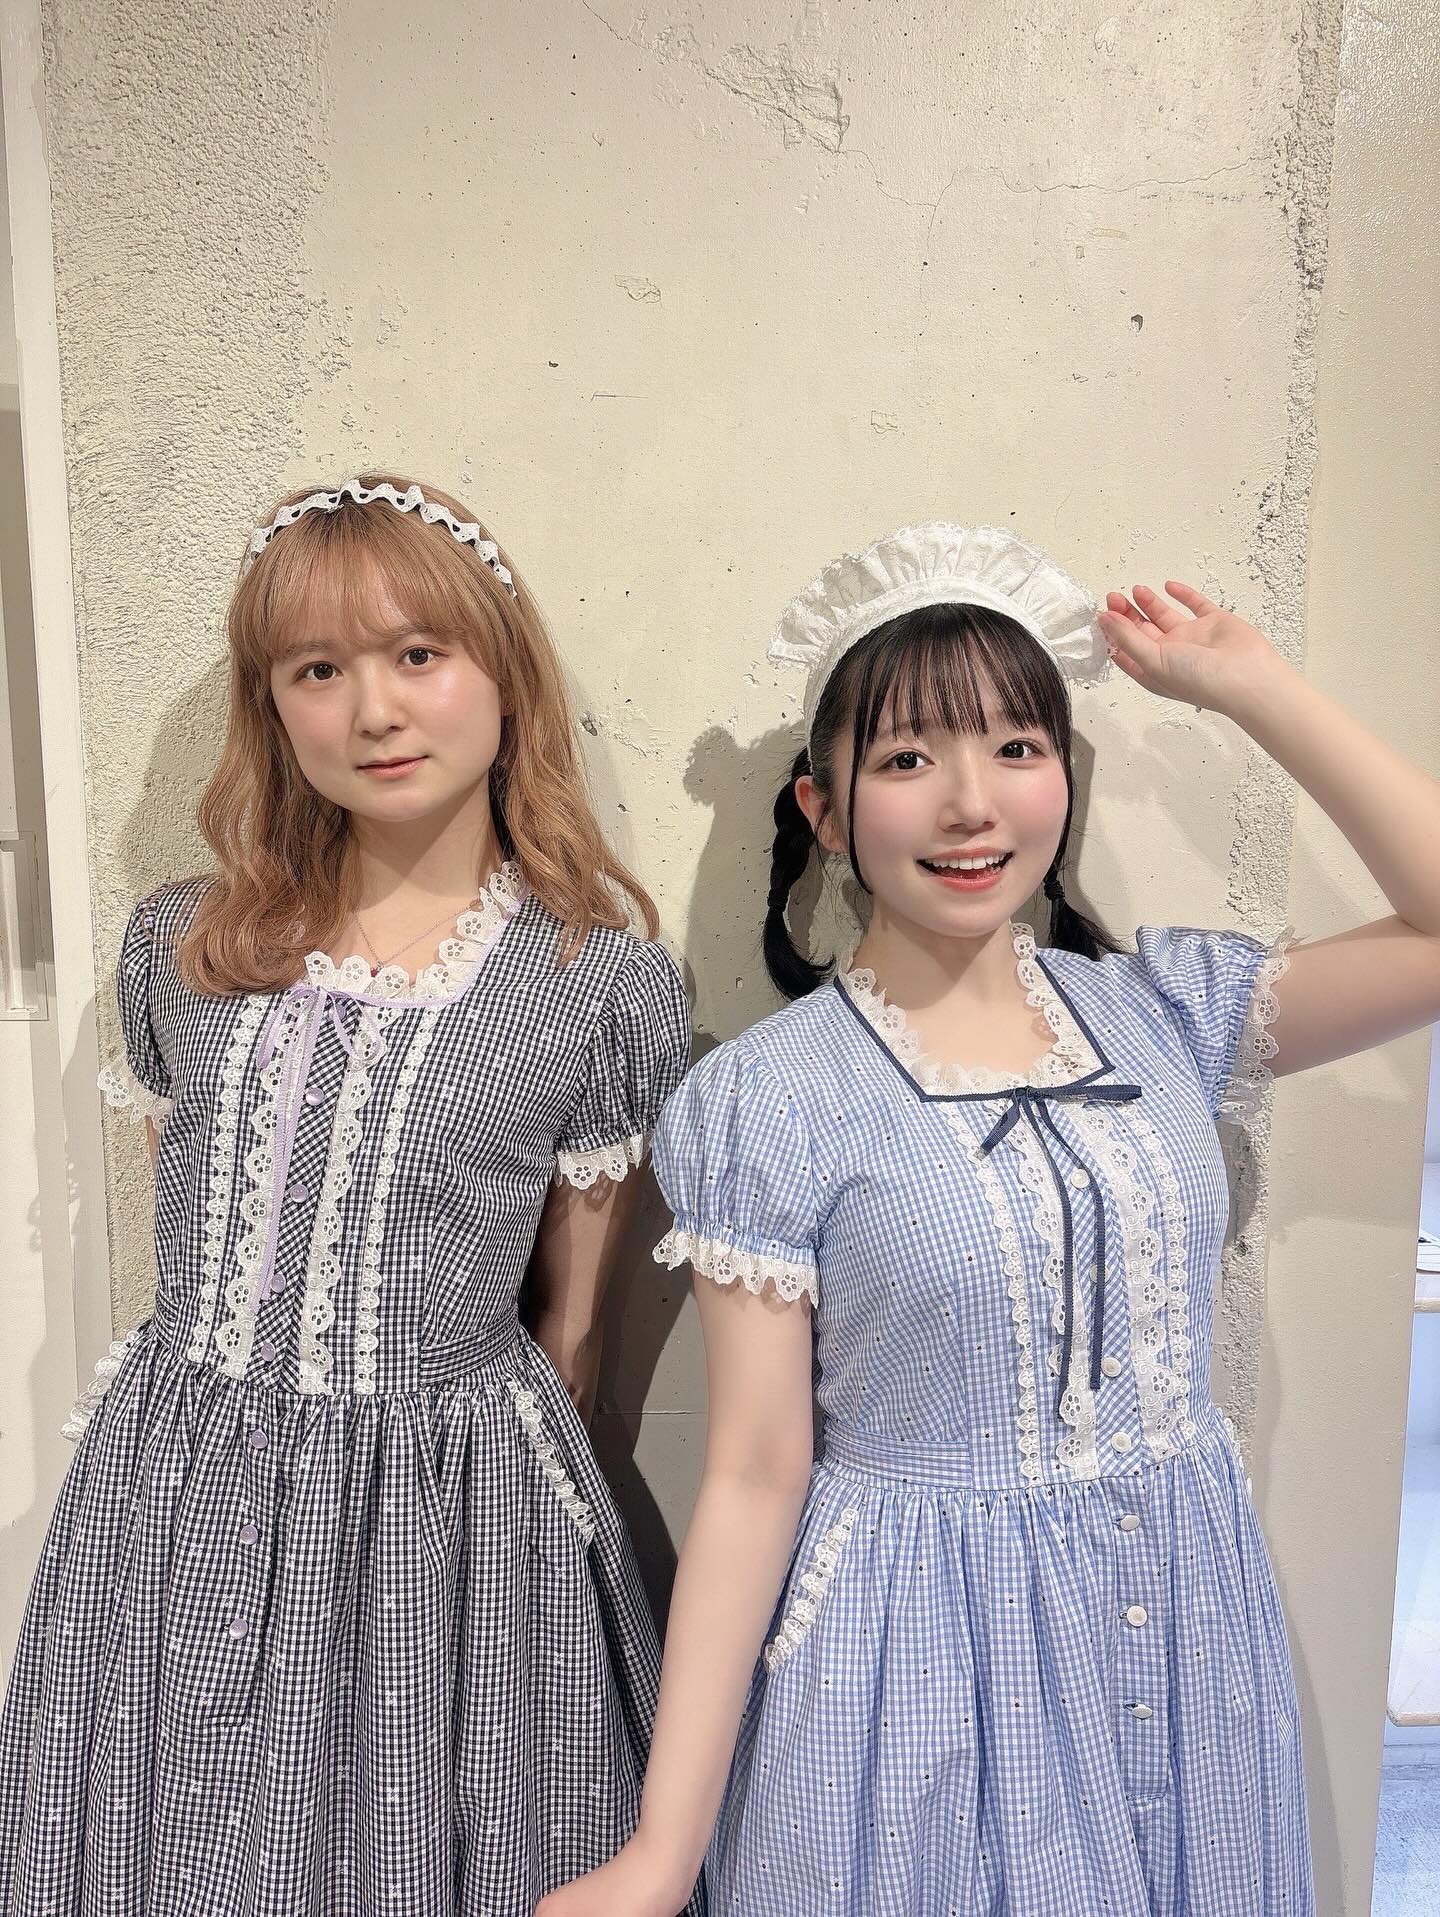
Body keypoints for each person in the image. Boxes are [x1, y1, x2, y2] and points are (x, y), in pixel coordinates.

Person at [543, 522, 1440, 1916]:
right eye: (909, 759)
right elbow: (757, 1473)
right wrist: (663, 1853)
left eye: (1018, 748)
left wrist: (1249, 684)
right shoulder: (771, 1099)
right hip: (915, 1668)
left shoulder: (1165, 1013)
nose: (973, 805)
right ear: (825, 809)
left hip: (1187, 1636)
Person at [0, 475, 703, 1917]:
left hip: (447, 1523)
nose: (373, 710)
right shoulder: (188, 946)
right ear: (271, 706)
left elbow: (577, 1329)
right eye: (317, 670)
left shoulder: (596, 979)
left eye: (417, 654)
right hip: (178, 1496)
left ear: (503, 672)